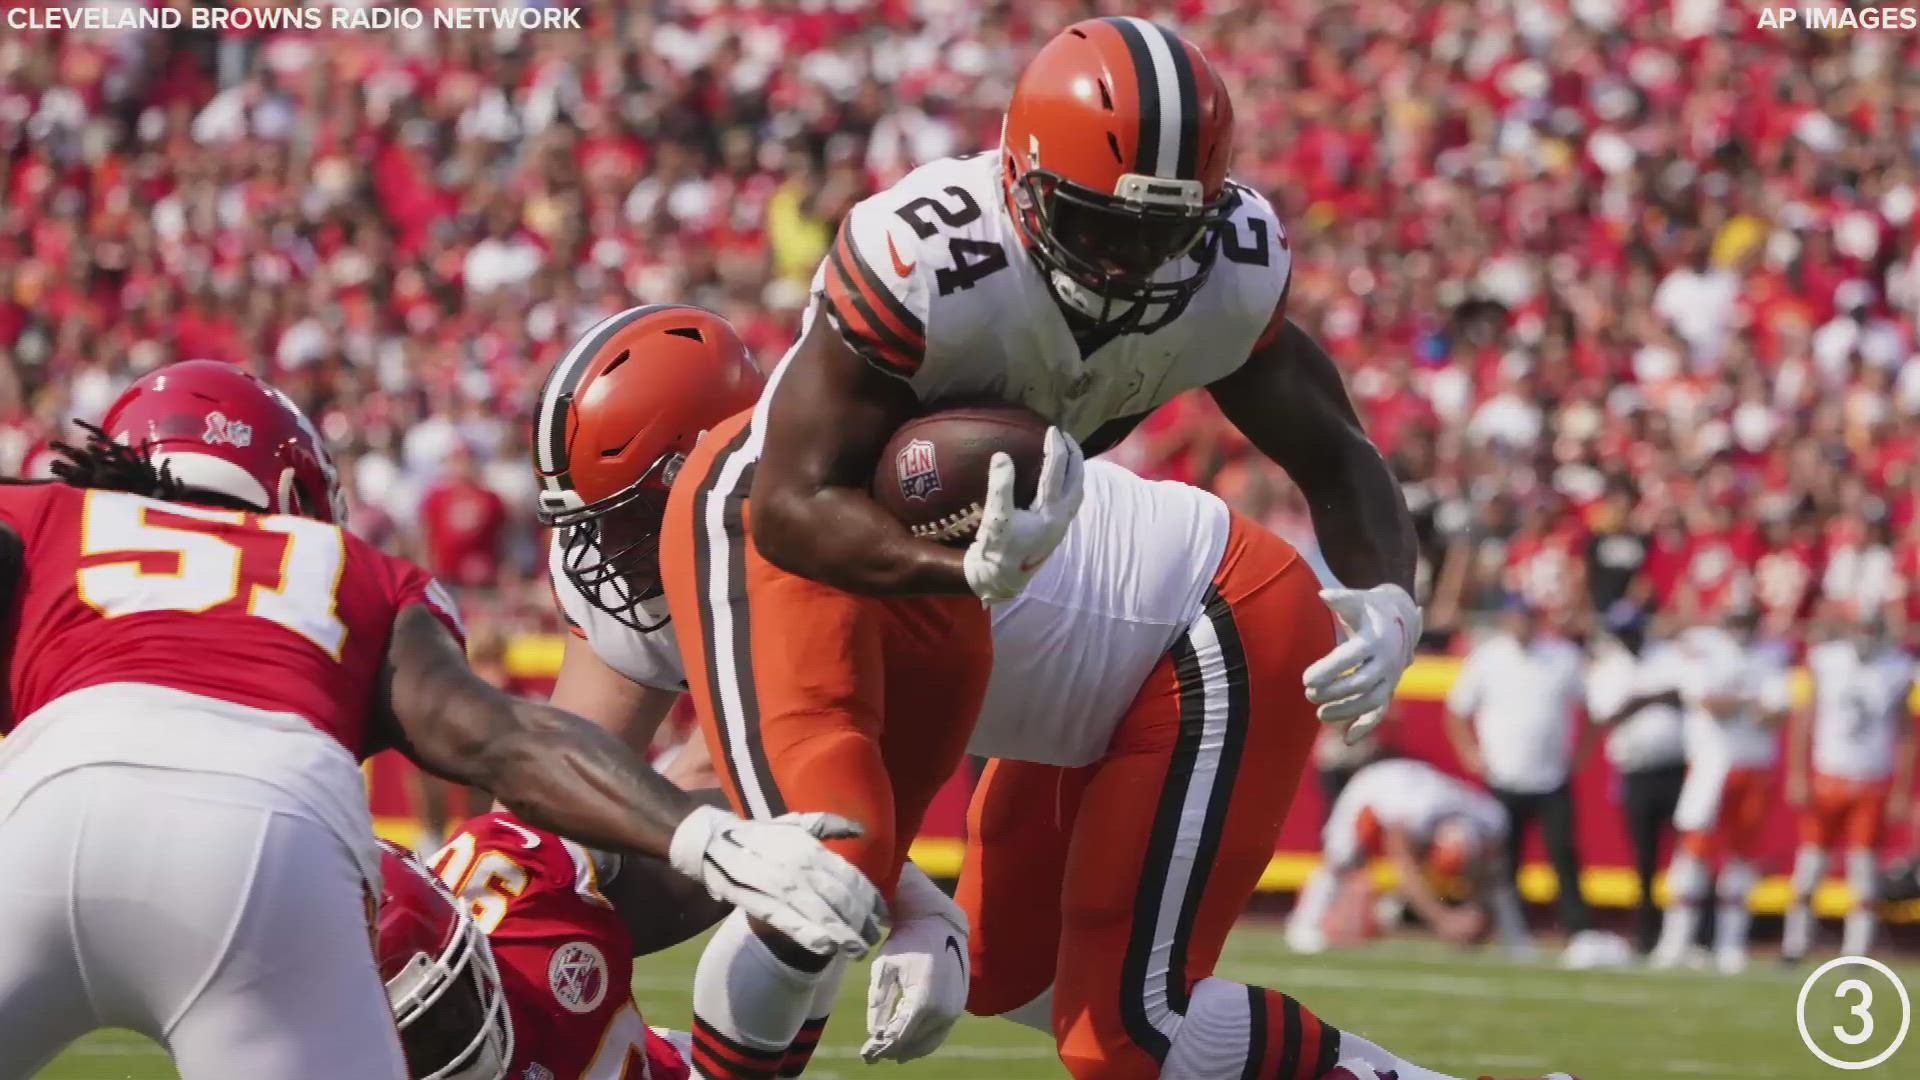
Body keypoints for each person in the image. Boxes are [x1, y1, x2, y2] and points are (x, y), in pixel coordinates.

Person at [658, 18, 1423, 1078]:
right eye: (1098, 223)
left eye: (1164, 232)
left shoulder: (1230, 271)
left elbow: (1336, 450)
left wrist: (1390, 595)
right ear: (1018, 179)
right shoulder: (934, 259)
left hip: (1016, 597)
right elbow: (788, 505)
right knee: (841, 878)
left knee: (1059, 1000)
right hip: (876, 558)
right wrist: (959, 570)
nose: (1130, 262)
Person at [0, 362, 882, 1080]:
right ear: (292, 489)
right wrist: (702, 837)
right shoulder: (350, 570)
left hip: (35, 818)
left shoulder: (41, 519)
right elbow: (503, 742)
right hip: (264, 852)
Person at [376, 807, 971, 1080]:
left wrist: (904, 891)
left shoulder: (513, 881)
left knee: (798, 892)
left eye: (447, 1008)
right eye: (412, 1038)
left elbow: (759, 809)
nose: (445, 1044)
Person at [1444, 599, 1608, 963]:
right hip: (1503, 777)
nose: (1520, 624)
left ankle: (1579, 931)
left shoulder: (1563, 656)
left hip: (1550, 777)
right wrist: (1470, 752)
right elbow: (1457, 711)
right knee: (1502, 862)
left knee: (1563, 855)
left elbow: (1592, 708)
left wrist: (1581, 754)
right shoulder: (1488, 658)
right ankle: (1504, 930)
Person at [1650, 603, 1790, 974]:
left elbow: (1777, 712)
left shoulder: (1770, 654)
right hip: (1711, 765)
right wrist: (1748, 701)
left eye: (1747, 621)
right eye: (1736, 620)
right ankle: (1675, 941)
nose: (1742, 628)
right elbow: (1709, 702)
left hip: (1754, 767)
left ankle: (1731, 944)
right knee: (1692, 853)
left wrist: (1740, 702)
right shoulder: (1706, 648)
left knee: (1740, 858)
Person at [1286, 758, 1531, 960]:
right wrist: (1443, 920)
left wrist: (1474, 914)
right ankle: (1304, 925)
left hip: (1417, 790)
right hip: (1374, 785)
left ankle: (1516, 939)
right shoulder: (1414, 811)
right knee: (1341, 857)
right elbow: (1405, 869)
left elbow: (1492, 876)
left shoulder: (1491, 817)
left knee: (1498, 878)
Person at [1782, 606, 1916, 962]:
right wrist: (1798, 773)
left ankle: (1857, 948)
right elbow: (1804, 719)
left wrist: (1901, 789)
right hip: (1829, 774)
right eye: (1861, 628)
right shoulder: (1827, 660)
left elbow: (1906, 734)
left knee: (1863, 869)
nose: (1865, 637)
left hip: (1871, 779)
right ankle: (1795, 943)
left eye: (1872, 629)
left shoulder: (1897, 667)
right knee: (1810, 865)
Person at [1584, 609, 1687, 954]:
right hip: (1635, 770)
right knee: (1644, 857)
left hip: (1674, 767)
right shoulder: (1610, 667)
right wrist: (1649, 698)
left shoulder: (1667, 655)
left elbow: (1685, 694)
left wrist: (1640, 700)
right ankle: (1647, 932)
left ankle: (1691, 930)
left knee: (1689, 853)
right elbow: (1605, 714)